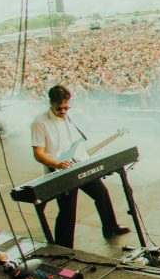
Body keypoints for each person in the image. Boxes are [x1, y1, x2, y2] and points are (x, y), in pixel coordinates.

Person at [30, 85, 130, 247]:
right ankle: (64, 247)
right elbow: (38, 154)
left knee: (101, 193)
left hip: (77, 165)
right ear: (51, 102)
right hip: (59, 171)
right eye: (59, 108)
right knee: (68, 211)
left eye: (66, 107)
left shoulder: (67, 117)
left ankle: (110, 227)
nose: (63, 111)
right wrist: (57, 163)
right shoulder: (40, 123)